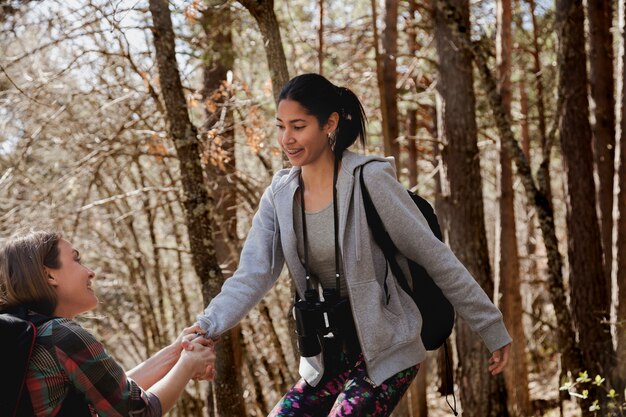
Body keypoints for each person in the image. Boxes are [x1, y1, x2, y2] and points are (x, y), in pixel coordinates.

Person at [194, 73, 512, 416]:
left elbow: (434, 255)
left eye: (298, 126)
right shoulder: (279, 196)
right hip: (329, 356)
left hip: (389, 346)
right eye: (280, 126)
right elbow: (252, 274)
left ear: (329, 123)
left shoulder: (369, 180)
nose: (287, 138)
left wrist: (491, 327)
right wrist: (207, 325)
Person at [0, 230, 216, 417]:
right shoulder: (61, 335)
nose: (90, 272)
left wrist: (177, 352)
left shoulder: (28, 334)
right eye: (76, 259)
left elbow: (113, 392)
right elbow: (138, 412)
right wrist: (188, 364)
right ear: (49, 275)